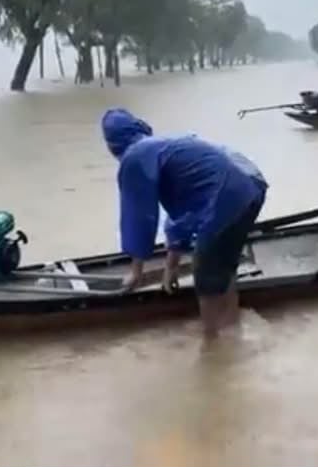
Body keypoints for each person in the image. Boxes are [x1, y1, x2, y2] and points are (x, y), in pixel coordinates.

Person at [101, 108, 268, 340]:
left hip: (228, 192)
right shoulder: (161, 147)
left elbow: (138, 216)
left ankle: (212, 344)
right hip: (250, 185)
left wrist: (136, 271)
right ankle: (232, 328)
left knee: (206, 271)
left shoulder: (135, 157)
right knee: (222, 264)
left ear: (111, 145)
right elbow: (182, 216)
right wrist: (171, 267)